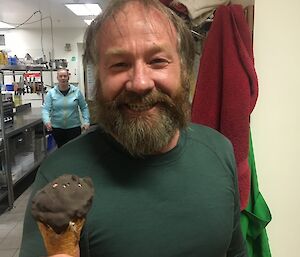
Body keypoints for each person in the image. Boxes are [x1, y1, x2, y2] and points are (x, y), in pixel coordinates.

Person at [20, 0, 248, 256]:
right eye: (119, 64)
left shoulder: (220, 151)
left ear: (184, 71)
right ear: (99, 77)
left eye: (158, 61)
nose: (139, 83)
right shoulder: (59, 175)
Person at [42, 68, 90, 148]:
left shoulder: (76, 92)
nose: (63, 78)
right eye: (60, 76)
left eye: (65, 76)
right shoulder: (51, 93)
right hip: (57, 128)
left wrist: (86, 121)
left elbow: (84, 107)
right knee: (61, 150)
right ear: (57, 78)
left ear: (68, 77)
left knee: (74, 150)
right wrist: (47, 121)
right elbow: (46, 109)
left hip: (74, 128)